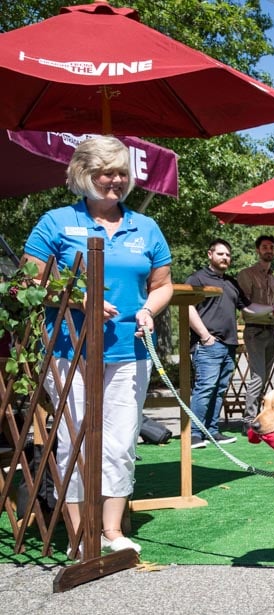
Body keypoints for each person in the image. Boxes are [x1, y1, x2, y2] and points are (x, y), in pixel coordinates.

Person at [23, 135, 174, 556]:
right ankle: (78, 534)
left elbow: (161, 286)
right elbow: (27, 282)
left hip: (130, 353)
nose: (115, 180)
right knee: (76, 442)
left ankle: (111, 532)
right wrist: (77, 299)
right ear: (83, 174)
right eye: (106, 172)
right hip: (70, 352)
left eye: (122, 173)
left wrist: (149, 309)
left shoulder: (146, 228)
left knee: (122, 442)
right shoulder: (55, 223)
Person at [186, 239, 274, 448]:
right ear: (210, 254)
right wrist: (204, 335)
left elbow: (248, 308)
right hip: (208, 343)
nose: (225, 258)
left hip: (229, 343)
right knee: (205, 387)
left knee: (220, 387)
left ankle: (212, 431)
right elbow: (187, 307)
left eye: (228, 255)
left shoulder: (230, 282)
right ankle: (195, 434)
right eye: (221, 254)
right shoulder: (198, 278)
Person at [237, 234, 274, 434]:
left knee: (265, 377)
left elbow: (271, 307)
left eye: (271, 247)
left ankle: (260, 419)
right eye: (265, 247)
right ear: (258, 250)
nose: (269, 250)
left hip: (271, 329)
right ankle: (248, 419)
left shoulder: (273, 278)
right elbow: (244, 306)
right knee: (258, 376)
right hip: (254, 330)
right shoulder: (246, 274)